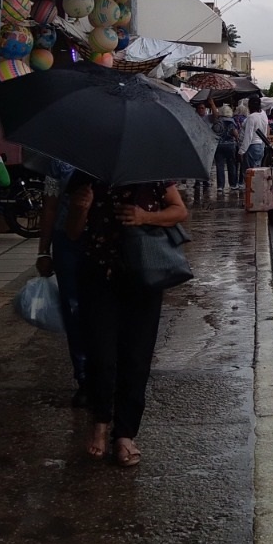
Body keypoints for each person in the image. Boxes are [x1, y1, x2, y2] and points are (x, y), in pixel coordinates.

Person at [66, 172, 189, 467]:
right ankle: (100, 422)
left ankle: (125, 434)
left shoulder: (154, 173)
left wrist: (144, 217)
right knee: (100, 356)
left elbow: (180, 211)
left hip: (144, 276)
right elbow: (72, 233)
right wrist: (80, 209)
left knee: (136, 358)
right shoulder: (85, 175)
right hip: (97, 277)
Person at [33, 152, 87, 405]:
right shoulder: (59, 161)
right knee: (74, 308)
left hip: (108, 241)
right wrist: (44, 250)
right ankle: (84, 377)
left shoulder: (116, 156)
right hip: (67, 243)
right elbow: (50, 205)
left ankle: (111, 373)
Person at [212, 103, 241, 193]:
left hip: (219, 145)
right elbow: (236, 134)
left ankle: (220, 186)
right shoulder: (231, 122)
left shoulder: (217, 121)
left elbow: (214, 133)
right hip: (230, 145)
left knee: (219, 165)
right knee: (231, 165)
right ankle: (233, 184)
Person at [239, 95, 269, 172]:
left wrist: (242, 151)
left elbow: (248, 136)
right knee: (257, 172)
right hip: (261, 146)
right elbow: (265, 131)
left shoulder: (251, 117)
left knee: (250, 174)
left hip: (252, 147)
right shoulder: (263, 115)